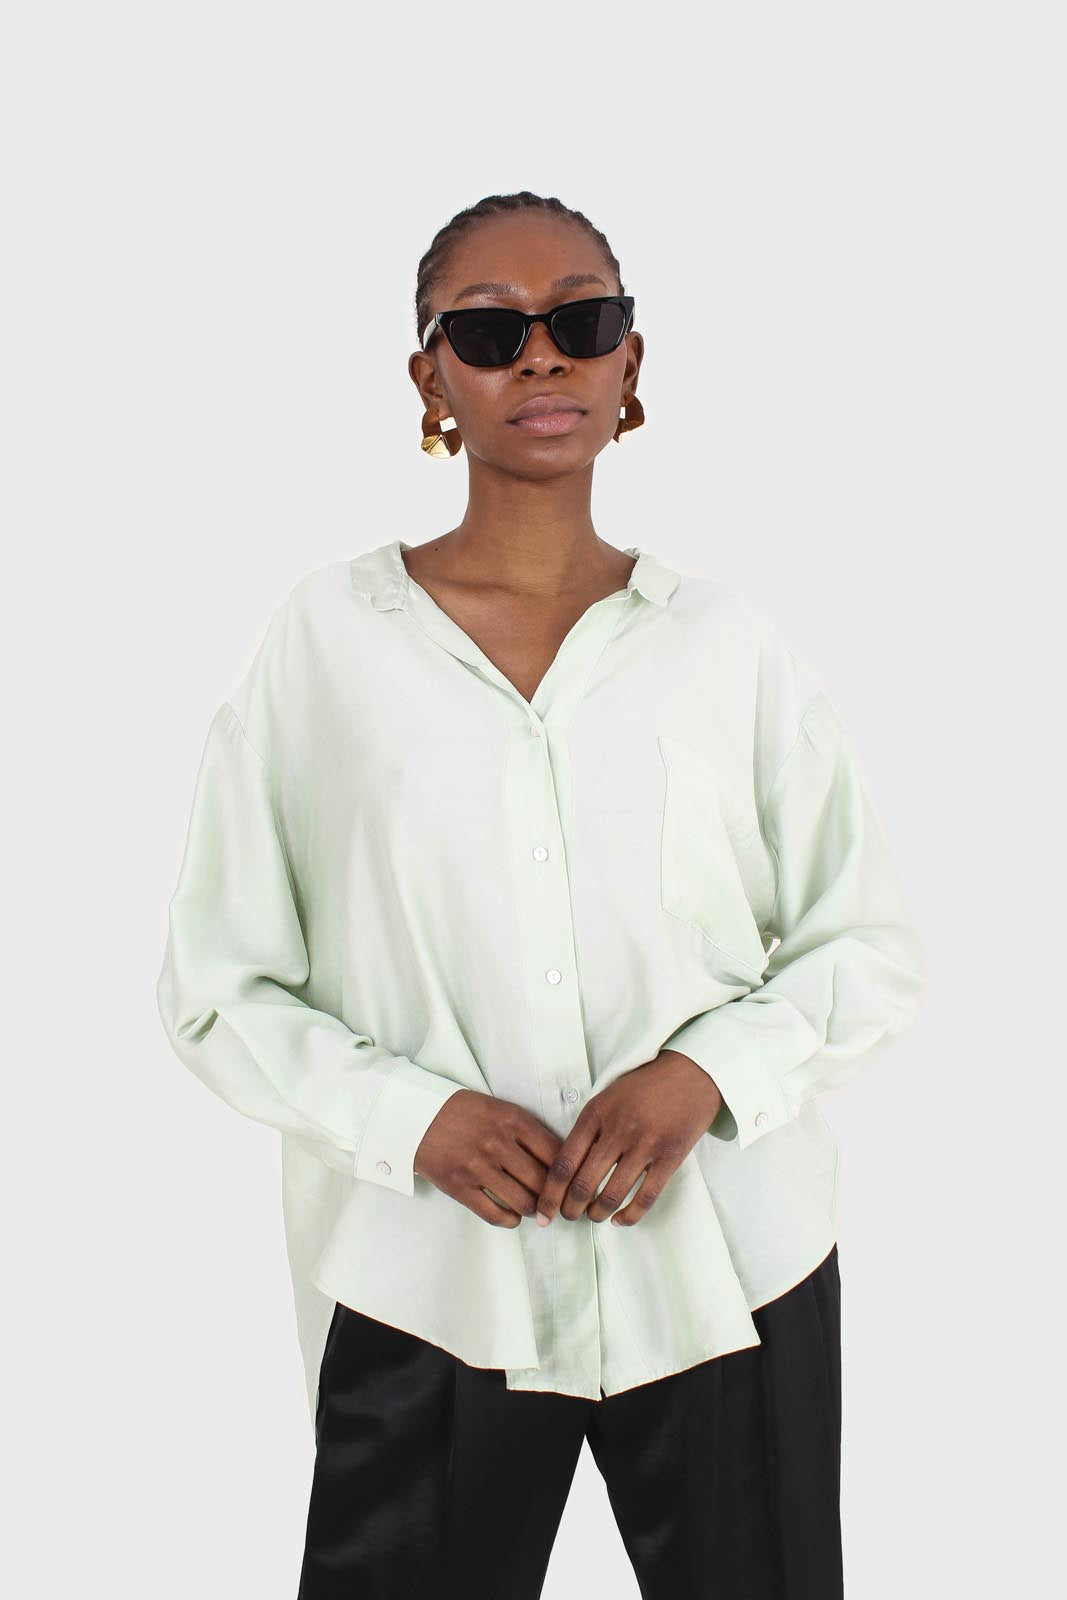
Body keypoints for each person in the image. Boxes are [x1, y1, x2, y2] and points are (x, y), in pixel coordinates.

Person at [155, 190, 926, 1600]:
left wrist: (708, 1076)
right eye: (491, 332)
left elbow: (865, 942)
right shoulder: (327, 643)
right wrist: (415, 1119)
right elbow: (218, 984)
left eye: (582, 319)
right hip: (429, 1276)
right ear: (430, 376)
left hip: (724, 1261)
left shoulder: (725, 645)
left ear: (632, 360)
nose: (544, 357)